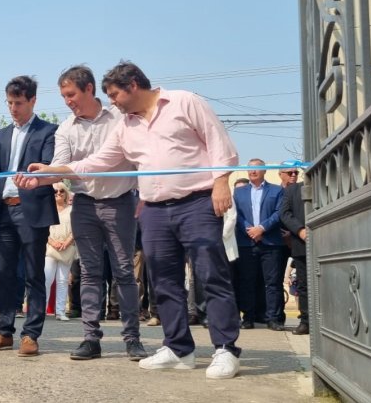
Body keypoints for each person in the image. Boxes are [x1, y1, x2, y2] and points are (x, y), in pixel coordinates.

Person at [20, 61, 242, 379]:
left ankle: (226, 349)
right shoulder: (126, 126)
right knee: (164, 281)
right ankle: (179, 348)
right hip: (153, 209)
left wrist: (221, 181)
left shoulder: (184, 102)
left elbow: (218, 142)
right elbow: (99, 162)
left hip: (195, 202)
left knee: (211, 275)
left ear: (133, 86)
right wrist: (48, 175)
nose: (112, 102)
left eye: (114, 95)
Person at [34, 65, 147, 361]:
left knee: (124, 271)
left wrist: (144, 194)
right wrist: (38, 178)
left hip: (120, 202)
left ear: (88, 89)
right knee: (89, 273)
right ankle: (90, 339)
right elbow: (60, 166)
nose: (67, 101)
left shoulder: (121, 117)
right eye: (63, 96)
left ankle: (132, 338)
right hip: (83, 204)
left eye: (71, 94)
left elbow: (140, 159)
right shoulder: (65, 128)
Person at [0, 75, 58, 357]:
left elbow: (49, 168)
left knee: (32, 274)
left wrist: (38, 175)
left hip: (32, 211)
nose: (13, 108)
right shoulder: (2, 135)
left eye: (18, 102)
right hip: (3, 212)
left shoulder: (48, 132)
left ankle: (31, 335)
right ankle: (4, 331)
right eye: (9, 103)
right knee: (2, 273)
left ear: (33, 101)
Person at [233, 159, 286, 331]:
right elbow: (236, 215)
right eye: (250, 169)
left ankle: (273, 318)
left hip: (270, 243)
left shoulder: (276, 191)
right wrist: (250, 229)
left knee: (272, 283)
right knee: (246, 281)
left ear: (264, 171)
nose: (252, 172)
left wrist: (262, 228)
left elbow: (279, 213)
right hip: (246, 243)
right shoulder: (239, 193)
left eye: (256, 169)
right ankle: (248, 317)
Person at [44, 182, 77, 321]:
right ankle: (41, 310)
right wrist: (52, 242)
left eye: (61, 191)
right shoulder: (47, 208)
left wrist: (67, 242)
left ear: (66, 193)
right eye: (55, 191)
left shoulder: (72, 210)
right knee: (46, 279)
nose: (58, 193)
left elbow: (76, 228)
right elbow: (43, 229)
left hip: (67, 247)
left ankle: (60, 311)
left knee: (63, 280)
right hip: (50, 248)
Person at [280, 181, 308, 335]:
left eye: (294, 172)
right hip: (301, 243)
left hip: (327, 240)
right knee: (303, 285)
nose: (293, 175)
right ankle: (306, 321)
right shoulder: (292, 190)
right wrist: (300, 230)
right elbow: (284, 213)